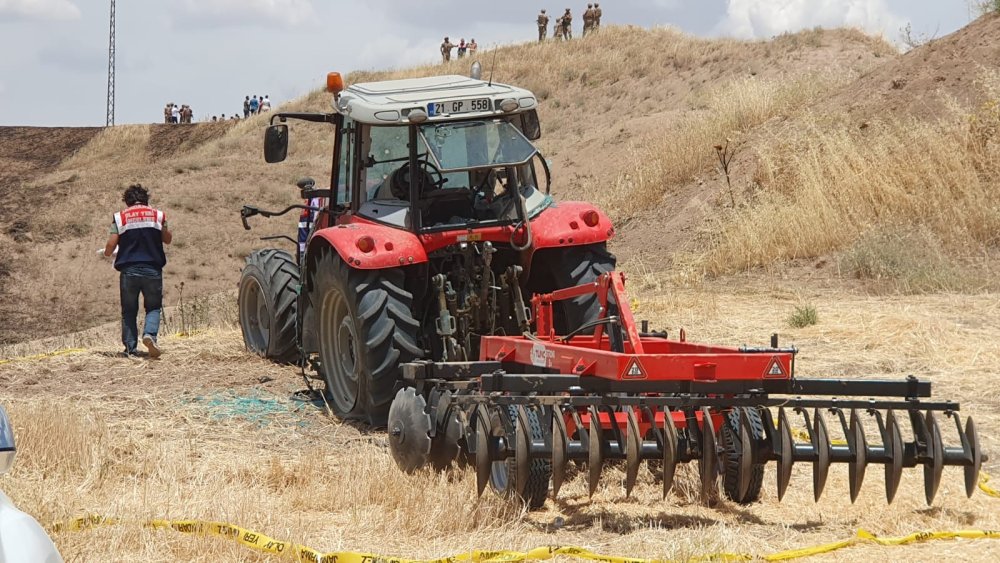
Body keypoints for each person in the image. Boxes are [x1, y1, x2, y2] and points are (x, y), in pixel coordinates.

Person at [103, 183, 172, 358]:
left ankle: (130, 349)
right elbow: (167, 239)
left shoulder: (120, 217)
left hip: (129, 270)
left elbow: (111, 244)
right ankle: (149, 335)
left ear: (127, 201)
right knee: (154, 307)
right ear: (146, 199)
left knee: (129, 310)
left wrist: (107, 253)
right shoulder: (158, 215)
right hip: (153, 269)